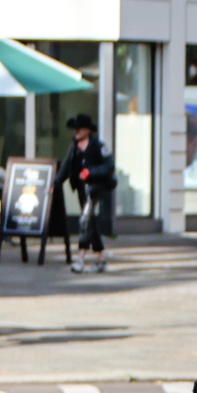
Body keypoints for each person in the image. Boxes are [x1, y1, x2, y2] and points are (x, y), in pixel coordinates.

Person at [59, 113, 118, 274]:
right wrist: (55, 183)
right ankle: (100, 259)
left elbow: (109, 166)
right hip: (81, 189)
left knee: (85, 220)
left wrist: (90, 172)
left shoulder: (98, 146)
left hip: (96, 188)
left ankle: (80, 259)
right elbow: (66, 166)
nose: (76, 132)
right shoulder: (74, 147)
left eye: (78, 129)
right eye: (75, 129)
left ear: (87, 130)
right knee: (90, 222)